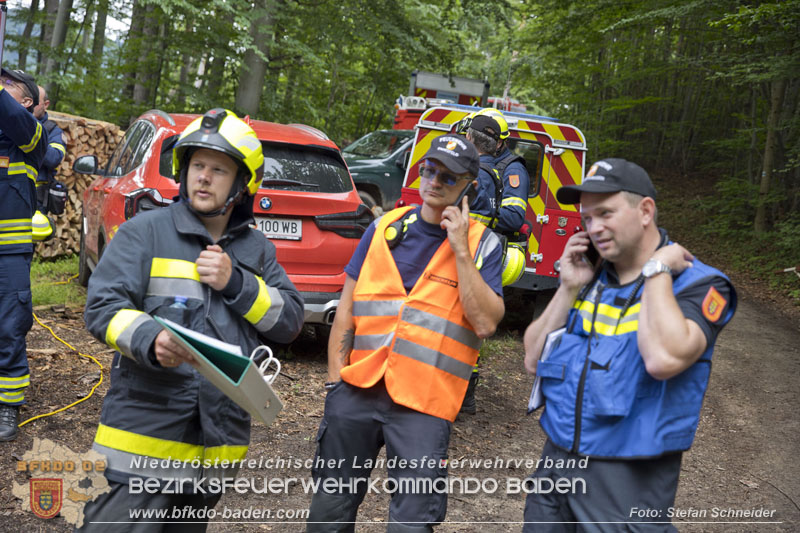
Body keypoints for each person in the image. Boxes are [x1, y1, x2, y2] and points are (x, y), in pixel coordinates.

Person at [79, 108, 304, 530]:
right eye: (197, 165)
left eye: (218, 169)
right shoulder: (144, 232)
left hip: (215, 443)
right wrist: (149, 339)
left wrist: (237, 283)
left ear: (242, 183)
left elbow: (289, 322)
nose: (203, 177)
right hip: (143, 438)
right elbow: (103, 306)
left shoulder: (256, 251)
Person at [521, 158, 737, 532]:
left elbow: (663, 359)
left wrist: (656, 272)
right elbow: (532, 357)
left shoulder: (701, 285)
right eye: (587, 218)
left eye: (606, 213)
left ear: (645, 211)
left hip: (627, 478)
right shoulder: (591, 276)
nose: (595, 228)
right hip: (558, 462)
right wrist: (569, 287)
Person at [306, 135, 505, 532]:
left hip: (424, 406)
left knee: (412, 523)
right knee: (330, 509)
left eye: (447, 177)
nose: (434, 182)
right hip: (356, 392)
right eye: (429, 171)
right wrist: (334, 383)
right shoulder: (383, 228)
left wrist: (460, 250)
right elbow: (346, 308)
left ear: (470, 185)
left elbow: (484, 323)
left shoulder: (484, 245)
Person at [0, 68, 48, 442]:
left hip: (9, 255)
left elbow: (15, 121)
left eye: (6, 88)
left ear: (27, 101)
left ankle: (7, 405)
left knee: (9, 327)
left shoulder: (32, 136)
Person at [33, 85, 66, 215]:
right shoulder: (9, 124)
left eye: (36, 101)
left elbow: (54, 158)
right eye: (26, 99)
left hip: (37, 201)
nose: (30, 104)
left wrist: (29, 136)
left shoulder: (53, 131)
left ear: (46, 104)